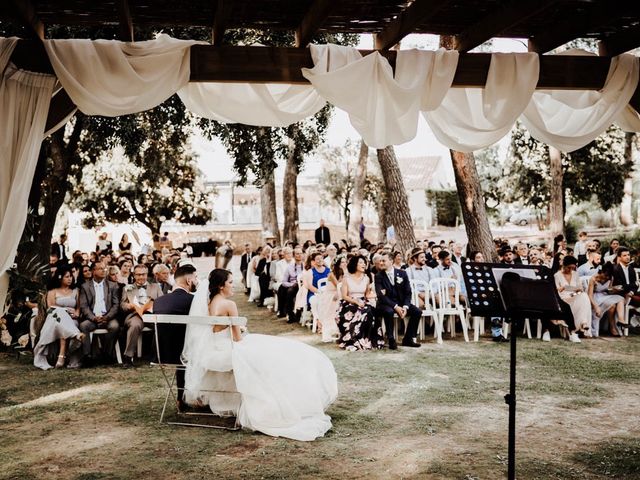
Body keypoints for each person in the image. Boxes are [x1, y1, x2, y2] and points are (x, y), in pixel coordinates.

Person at [182, 269, 338, 441]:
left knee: (265, 350)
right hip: (229, 349)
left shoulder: (209, 302)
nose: (233, 286)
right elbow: (237, 339)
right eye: (230, 282)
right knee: (273, 354)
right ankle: (281, 403)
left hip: (212, 351)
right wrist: (241, 329)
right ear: (220, 286)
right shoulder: (229, 305)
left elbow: (215, 331)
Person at [152, 264, 199, 411]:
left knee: (182, 346)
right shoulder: (193, 301)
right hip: (185, 355)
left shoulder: (159, 301)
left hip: (161, 354)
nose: (197, 281)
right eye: (196, 278)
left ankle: (181, 399)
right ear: (189, 281)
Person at [33, 265, 85, 369]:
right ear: (60, 277)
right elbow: (50, 307)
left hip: (72, 319)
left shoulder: (75, 290)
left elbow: (78, 308)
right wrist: (64, 310)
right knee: (61, 315)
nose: (70, 278)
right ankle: (75, 335)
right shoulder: (53, 291)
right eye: (67, 276)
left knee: (64, 325)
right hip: (55, 318)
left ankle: (61, 358)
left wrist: (77, 313)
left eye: (71, 276)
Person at [337, 255, 384, 351]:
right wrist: (355, 301)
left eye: (364, 262)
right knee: (360, 311)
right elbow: (344, 296)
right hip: (349, 302)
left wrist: (378, 294)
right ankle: (353, 338)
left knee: (370, 311)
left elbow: (367, 294)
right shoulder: (347, 278)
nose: (364, 264)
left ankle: (366, 339)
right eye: (361, 262)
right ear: (355, 265)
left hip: (363, 301)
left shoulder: (366, 278)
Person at [374, 251, 421, 349]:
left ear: (391, 261)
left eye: (383, 261)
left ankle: (408, 339)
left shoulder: (402, 273)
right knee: (389, 311)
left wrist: (405, 306)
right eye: (380, 261)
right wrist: (396, 307)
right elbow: (381, 296)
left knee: (417, 311)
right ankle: (391, 339)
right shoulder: (378, 276)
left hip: (401, 303)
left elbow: (408, 292)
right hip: (384, 304)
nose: (381, 263)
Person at [121, 264, 163, 367]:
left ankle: (158, 356)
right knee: (135, 325)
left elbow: (162, 301)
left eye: (143, 274)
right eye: (138, 275)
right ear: (134, 275)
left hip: (151, 315)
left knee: (162, 326)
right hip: (134, 315)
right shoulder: (128, 288)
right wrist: (128, 305)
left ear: (147, 274)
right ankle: (128, 357)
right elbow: (122, 304)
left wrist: (153, 305)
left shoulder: (155, 286)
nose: (140, 277)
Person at [78, 262, 121, 364]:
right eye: (100, 269)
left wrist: (107, 317)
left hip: (108, 317)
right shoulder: (85, 287)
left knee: (115, 326)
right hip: (93, 317)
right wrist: (93, 318)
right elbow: (84, 306)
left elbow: (116, 305)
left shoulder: (113, 286)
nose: (104, 271)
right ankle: (87, 356)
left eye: (104, 269)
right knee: (83, 326)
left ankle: (107, 354)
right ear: (93, 271)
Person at [553, 255, 591, 341]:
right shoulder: (557, 275)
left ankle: (584, 322)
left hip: (573, 296)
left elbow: (580, 289)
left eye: (573, 268)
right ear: (564, 265)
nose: (570, 270)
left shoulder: (575, 274)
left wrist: (574, 292)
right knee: (583, 297)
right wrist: (562, 288)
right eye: (569, 268)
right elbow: (556, 290)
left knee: (583, 295)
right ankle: (582, 324)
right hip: (562, 298)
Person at [587, 264, 625, 337]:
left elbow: (608, 291)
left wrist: (614, 289)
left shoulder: (611, 278)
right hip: (595, 297)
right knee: (612, 306)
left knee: (620, 298)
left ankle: (621, 319)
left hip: (605, 296)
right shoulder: (593, 279)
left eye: (609, 276)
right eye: (606, 275)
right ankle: (611, 327)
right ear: (601, 271)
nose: (607, 277)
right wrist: (596, 307)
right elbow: (590, 295)